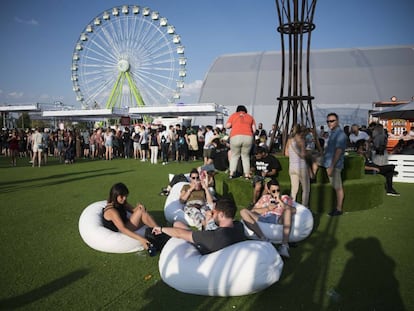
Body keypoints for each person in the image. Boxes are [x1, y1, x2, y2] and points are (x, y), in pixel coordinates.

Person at [152, 197, 246, 255]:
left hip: (204, 250)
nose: (212, 215)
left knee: (177, 225)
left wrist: (161, 229)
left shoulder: (212, 237)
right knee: (178, 224)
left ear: (221, 215)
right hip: (220, 244)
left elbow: (179, 234)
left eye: (213, 213)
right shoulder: (239, 227)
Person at [240, 180, 296, 258]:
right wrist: (267, 208)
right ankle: (263, 238)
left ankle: (284, 246)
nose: (276, 192)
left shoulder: (285, 198)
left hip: (278, 218)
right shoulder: (265, 198)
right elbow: (253, 210)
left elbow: (293, 210)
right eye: (273, 191)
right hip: (263, 217)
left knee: (288, 211)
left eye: (278, 190)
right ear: (269, 191)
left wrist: (280, 201)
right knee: (243, 212)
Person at [102, 183, 159, 250]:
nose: (124, 198)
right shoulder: (111, 211)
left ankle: (160, 233)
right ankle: (161, 234)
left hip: (126, 224)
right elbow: (122, 229)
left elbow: (133, 210)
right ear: (115, 195)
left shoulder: (121, 202)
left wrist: (139, 207)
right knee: (143, 214)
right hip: (120, 230)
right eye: (122, 196)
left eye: (125, 196)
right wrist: (141, 239)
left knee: (145, 215)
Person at [322, 113, 348, 216]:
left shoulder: (340, 134)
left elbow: (338, 151)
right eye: (328, 121)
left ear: (337, 121)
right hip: (328, 162)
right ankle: (312, 176)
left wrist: (332, 167)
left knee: (338, 187)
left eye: (332, 121)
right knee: (313, 157)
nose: (329, 123)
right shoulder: (332, 133)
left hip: (335, 165)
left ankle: (338, 209)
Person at [225, 105, 256, 179]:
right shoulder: (250, 117)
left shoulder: (234, 115)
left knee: (234, 156)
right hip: (248, 137)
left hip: (235, 136)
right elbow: (254, 130)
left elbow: (227, 126)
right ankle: (247, 175)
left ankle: (232, 173)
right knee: (245, 156)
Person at [284, 124, 310, 207]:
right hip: (301, 166)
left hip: (292, 167)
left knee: (294, 189)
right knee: (306, 189)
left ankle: (292, 206)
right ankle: (304, 207)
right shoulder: (301, 140)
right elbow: (303, 155)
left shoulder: (289, 140)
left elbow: (286, 154)